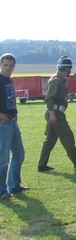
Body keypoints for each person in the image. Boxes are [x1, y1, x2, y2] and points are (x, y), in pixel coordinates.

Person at [37, 57, 76, 172]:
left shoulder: (59, 79)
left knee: (49, 140)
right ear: (67, 69)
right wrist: (52, 114)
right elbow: (49, 98)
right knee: (67, 137)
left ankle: (42, 165)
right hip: (55, 113)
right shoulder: (56, 81)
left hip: (54, 112)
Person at [0, 53, 27, 198]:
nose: (8, 68)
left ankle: (14, 186)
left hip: (12, 121)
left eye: (11, 65)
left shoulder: (9, 80)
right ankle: (2, 191)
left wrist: (15, 112)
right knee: (3, 158)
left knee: (19, 153)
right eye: (5, 65)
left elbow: (11, 98)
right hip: (2, 123)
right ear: (0, 65)